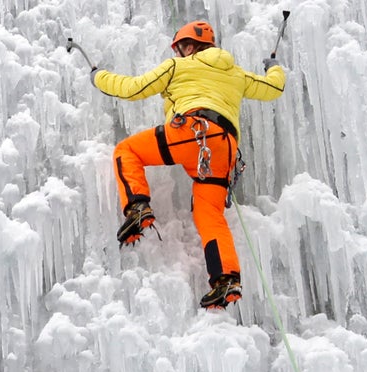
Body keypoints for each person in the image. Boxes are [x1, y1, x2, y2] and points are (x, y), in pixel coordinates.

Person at [91, 21, 286, 309]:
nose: (180, 53)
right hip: (224, 148)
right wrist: (274, 65)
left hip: (191, 132)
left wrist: (98, 77)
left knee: (126, 150)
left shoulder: (177, 66)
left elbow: (132, 88)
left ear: (192, 45)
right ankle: (226, 279)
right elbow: (273, 88)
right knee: (210, 214)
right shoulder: (236, 74)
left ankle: (137, 206)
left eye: (181, 47)